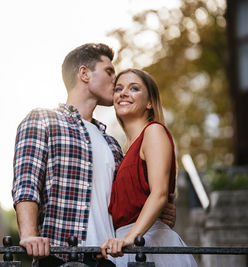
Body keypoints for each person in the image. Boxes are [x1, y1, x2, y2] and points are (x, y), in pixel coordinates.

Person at [12, 44, 176, 267]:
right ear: (84, 74)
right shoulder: (43, 119)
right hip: (60, 256)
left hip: (109, 258)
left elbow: (129, 196)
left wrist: (163, 210)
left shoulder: (112, 143)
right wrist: (29, 234)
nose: (114, 80)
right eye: (109, 72)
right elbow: (26, 183)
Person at [100, 69, 197, 267]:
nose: (123, 93)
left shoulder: (153, 131)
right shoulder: (123, 152)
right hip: (127, 245)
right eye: (119, 88)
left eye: (134, 88)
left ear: (150, 102)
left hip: (146, 243)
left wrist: (129, 238)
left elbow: (159, 194)